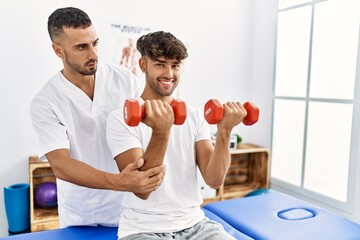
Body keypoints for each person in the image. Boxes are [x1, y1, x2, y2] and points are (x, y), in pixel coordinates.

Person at [29, 7, 165, 228]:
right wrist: (119, 182)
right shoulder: (45, 101)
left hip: (131, 209)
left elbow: (149, 126)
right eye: (81, 47)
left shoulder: (123, 79)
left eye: (95, 43)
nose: (93, 54)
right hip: (83, 214)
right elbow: (61, 165)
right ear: (58, 51)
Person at [106, 31, 247, 239]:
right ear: (143, 65)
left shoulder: (195, 116)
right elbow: (142, 189)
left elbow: (214, 179)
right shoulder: (121, 119)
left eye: (175, 65)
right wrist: (161, 131)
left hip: (196, 225)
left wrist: (225, 131)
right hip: (143, 229)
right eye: (160, 64)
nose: (169, 73)